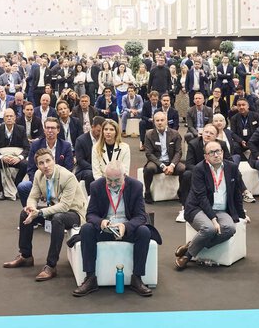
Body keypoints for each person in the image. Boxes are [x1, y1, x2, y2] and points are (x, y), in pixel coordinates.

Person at [73, 162, 157, 297]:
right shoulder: (96, 186)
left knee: (144, 232)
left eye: (117, 180)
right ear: (104, 176)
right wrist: (101, 222)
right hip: (106, 229)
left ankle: (137, 278)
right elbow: (90, 214)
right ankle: (90, 278)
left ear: (124, 176)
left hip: (126, 228)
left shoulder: (136, 186)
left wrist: (126, 226)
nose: (112, 184)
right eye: (109, 180)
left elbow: (141, 216)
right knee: (87, 229)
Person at [3, 148, 87, 281]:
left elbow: (64, 206)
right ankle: (26, 256)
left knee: (58, 219)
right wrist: (30, 208)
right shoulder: (38, 174)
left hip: (74, 212)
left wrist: (40, 212)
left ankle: (51, 265)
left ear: (54, 161)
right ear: (37, 166)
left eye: (48, 161)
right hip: (54, 209)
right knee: (24, 214)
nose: (45, 165)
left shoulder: (67, 177)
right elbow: (33, 196)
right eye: (41, 163)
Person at [175, 140, 248, 270]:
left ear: (223, 152)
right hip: (198, 208)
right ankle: (187, 256)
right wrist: (213, 219)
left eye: (218, 151)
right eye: (211, 152)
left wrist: (241, 214)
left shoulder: (231, 167)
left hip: (222, 209)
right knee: (209, 229)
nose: (216, 155)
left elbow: (236, 193)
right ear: (206, 156)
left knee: (229, 229)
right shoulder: (199, 169)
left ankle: (191, 245)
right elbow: (201, 197)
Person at [17, 118, 74, 207]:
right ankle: (30, 211)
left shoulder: (66, 146)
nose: (50, 130)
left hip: (59, 182)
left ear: (58, 130)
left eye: (53, 128)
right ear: (44, 130)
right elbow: (31, 169)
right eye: (47, 128)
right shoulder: (35, 145)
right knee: (23, 186)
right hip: (40, 180)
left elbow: (69, 168)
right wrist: (40, 186)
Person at [142, 111, 188, 205]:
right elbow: (149, 154)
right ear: (154, 122)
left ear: (166, 121)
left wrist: (172, 165)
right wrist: (162, 165)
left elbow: (178, 152)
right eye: (157, 120)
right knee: (149, 169)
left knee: (183, 169)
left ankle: (181, 191)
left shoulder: (175, 134)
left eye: (162, 120)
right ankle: (147, 191)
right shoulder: (149, 135)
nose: (159, 122)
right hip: (156, 162)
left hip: (171, 162)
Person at [0, 108, 30, 199]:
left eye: (11, 116)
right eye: (7, 116)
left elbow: (27, 147)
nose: (9, 118)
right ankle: (1, 190)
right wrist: (1, 157)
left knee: (25, 164)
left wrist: (19, 157)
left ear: (15, 118)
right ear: (3, 118)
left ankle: (16, 186)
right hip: (3, 157)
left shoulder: (21, 129)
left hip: (15, 157)